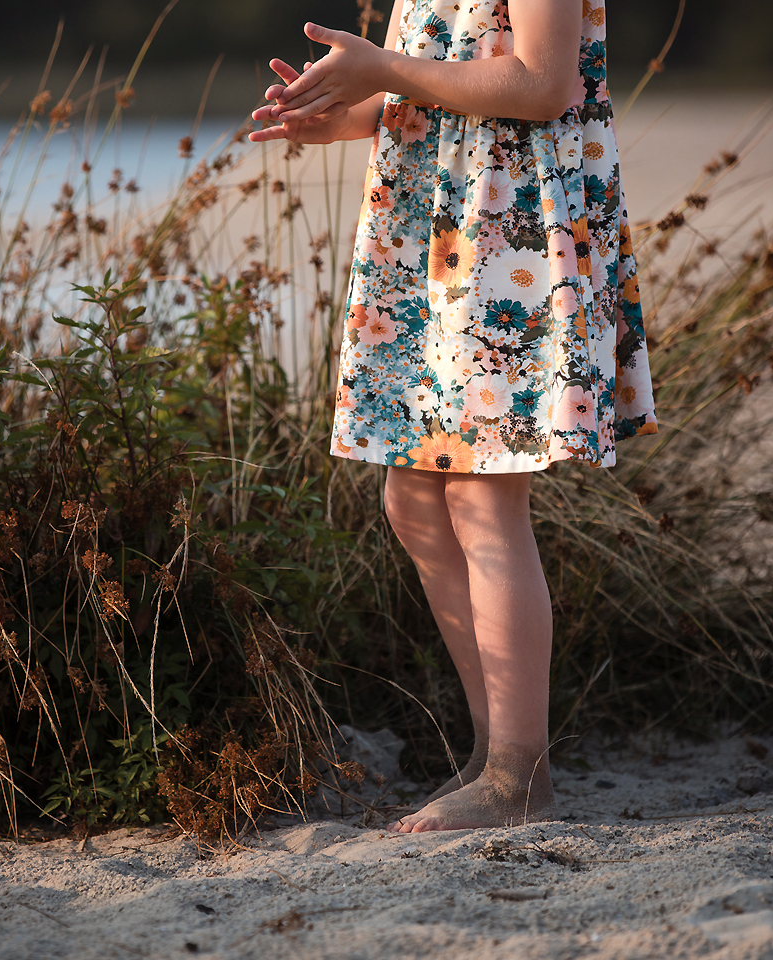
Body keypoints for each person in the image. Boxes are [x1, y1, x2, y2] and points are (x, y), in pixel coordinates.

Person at [249, 0, 657, 833]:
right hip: (430, 234)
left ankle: (520, 775)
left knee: (481, 496)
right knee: (414, 497)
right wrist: (343, 115)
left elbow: (541, 83)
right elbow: (431, 81)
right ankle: (492, 750)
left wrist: (382, 68)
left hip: (509, 236)